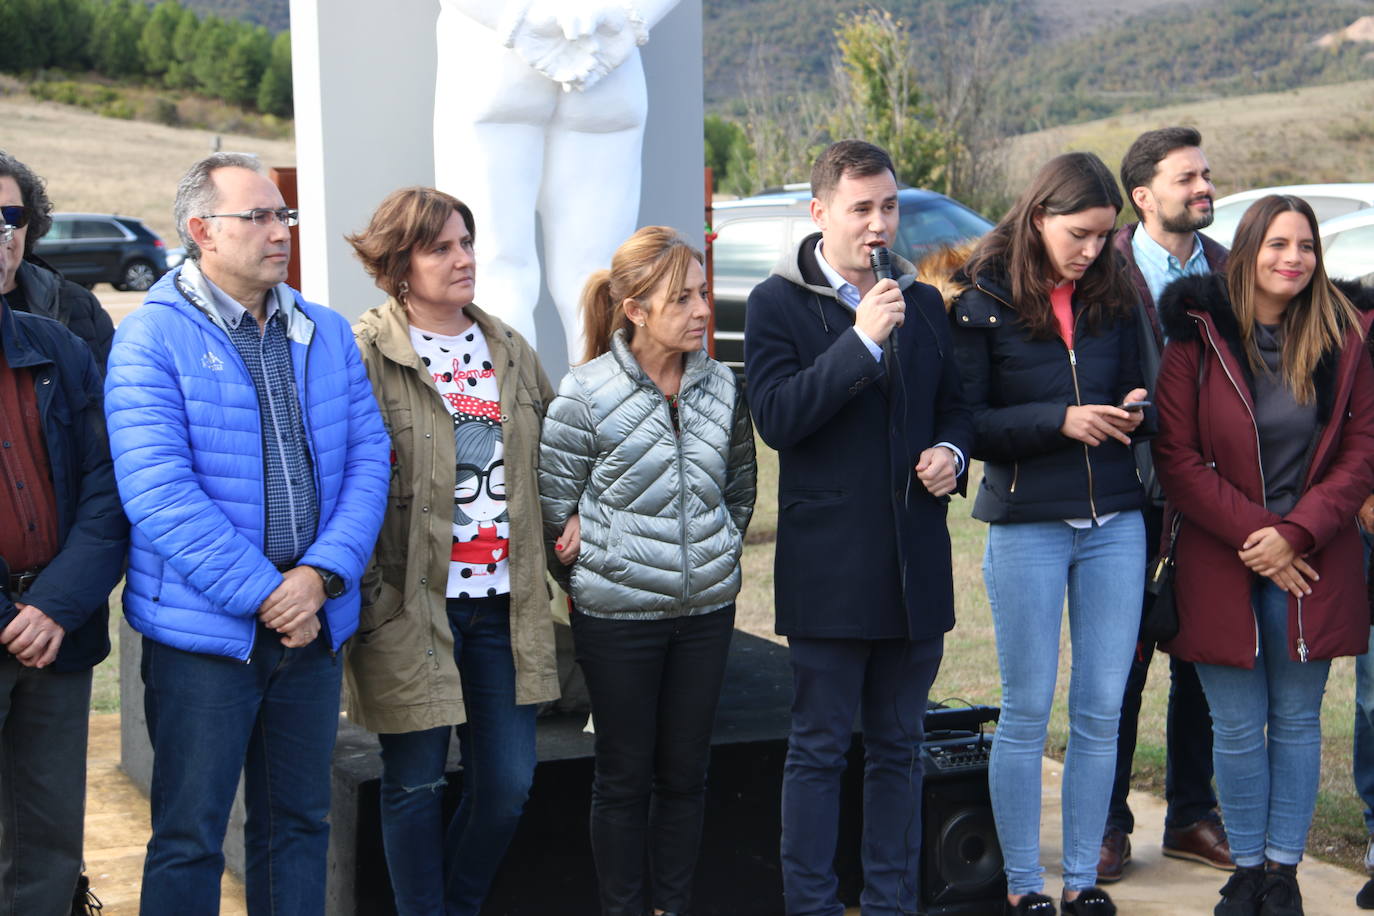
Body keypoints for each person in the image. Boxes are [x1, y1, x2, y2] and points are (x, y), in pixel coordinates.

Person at [103, 152, 391, 914]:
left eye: (283, 215)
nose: (280, 231)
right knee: (190, 837)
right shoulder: (150, 340)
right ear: (202, 230)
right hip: (206, 638)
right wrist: (272, 594)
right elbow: (159, 495)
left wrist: (320, 578)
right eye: (257, 216)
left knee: (298, 824)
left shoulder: (324, 332)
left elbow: (369, 463)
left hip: (310, 625)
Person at [744, 139, 973, 915]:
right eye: (861, 209)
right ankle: (809, 905)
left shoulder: (928, 303)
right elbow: (778, 418)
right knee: (817, 751)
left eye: (889, 207)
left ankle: (889, 903)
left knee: (900, 750)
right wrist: (862, 340)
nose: (879, 225)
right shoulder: (775, 304)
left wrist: (951, 452)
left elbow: (957, 408)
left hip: (914, 568)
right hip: (831, 571)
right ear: (820, 214)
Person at [1153, 194, 1374, 915]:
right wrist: (1260, 536)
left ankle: (1282, 873)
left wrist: (1296, 533)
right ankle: (1246, 868)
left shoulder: (1348, 334)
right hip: (1222, 557)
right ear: (1247, 252)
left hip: (1312, 557)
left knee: (1299, 722)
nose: (1293, 259)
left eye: (1305, 246)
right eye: (1278, 244)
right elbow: (1177, 458)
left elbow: (1362, 453)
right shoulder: (1196, 334)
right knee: (1238, 726)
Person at [343, 186, 560, 915]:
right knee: (414, 786)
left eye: (466, 242)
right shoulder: (366, 352)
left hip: (505, 608)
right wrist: (371, 594)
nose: (463, 258)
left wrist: (577, 519)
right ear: (399, 262)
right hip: (411, 608)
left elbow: (555, 458)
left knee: (507, 787)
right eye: (441, 247)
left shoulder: (508, 348)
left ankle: (457, 906)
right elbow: (343, 477)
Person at [947, 151, 1148, 915]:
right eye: (1080, 233)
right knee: (1027, 708)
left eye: (1104, 235)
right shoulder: (980, 295)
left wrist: (1133, 407)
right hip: (1028, 522)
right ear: (1039, 216)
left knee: (1101, 709)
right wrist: (1060, 420)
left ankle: (1082, 885)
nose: (1093, 249)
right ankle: (1026, 885)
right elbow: (970, 425)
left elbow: (1140, 387)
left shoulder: (1114, 291)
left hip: (1115, 523)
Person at [539, 226, 756, 916]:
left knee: (686, 775)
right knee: (625, 778)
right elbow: (555, 510)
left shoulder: (723, 385)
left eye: (703, 293)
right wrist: (600, 569)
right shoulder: (585, 392)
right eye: (682, 298)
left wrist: (715, 554)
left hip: (705, 616)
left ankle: (673, 906)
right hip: (616, 621)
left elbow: (741, 491)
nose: (702, 310)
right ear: (633, 308)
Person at [1100, 126, 1233, 882]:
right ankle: (1109, 823)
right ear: (1144, 196)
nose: (1204, 187)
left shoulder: (1229, 267)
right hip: (1128, 496)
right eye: (1188, 178)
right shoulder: (1106, 274)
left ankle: (1191, 815)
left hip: (1213, 501)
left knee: (1205, 661)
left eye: (1207, 174)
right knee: (1121, 666)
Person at [0, 213, 127, 914]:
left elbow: (108, 488)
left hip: (57, 635)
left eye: (9, 222)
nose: (3, 238)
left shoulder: (56, 345)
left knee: (48, 848)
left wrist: (55, 604)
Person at [0, 150, 115, 368]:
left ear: (30, 220)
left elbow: (105, 394)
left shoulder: (77, 305)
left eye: (12, 215)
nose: (2, 228)